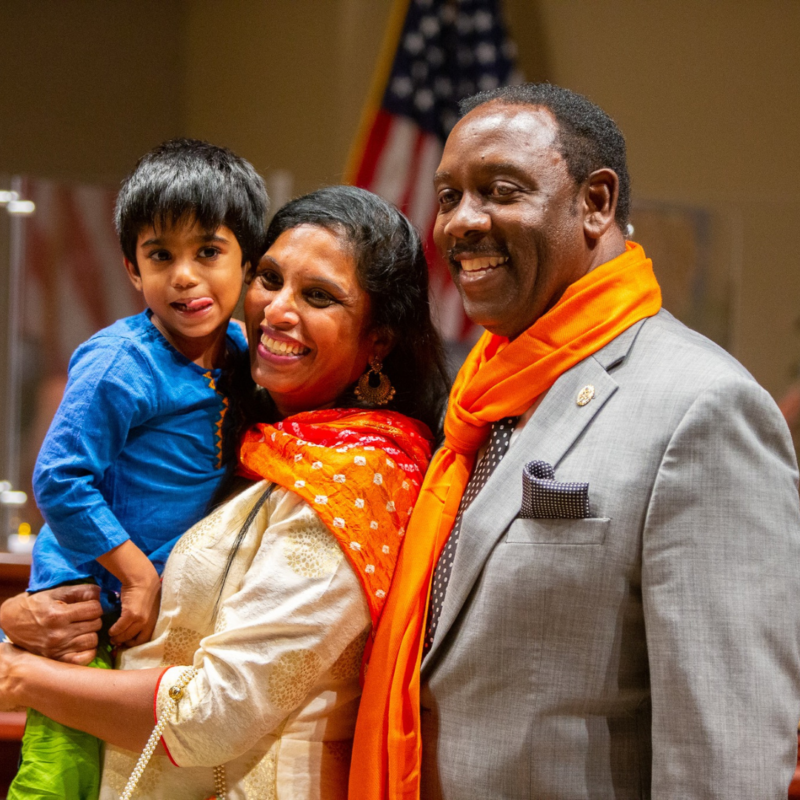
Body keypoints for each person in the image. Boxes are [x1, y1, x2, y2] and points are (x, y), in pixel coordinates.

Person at [351, 83, 800, 799]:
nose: (462, 223)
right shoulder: (479, 394)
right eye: (448, 196)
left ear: (594, 202)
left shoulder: (702, 407)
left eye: (498, 190)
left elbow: (728, 752)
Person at [0, 185, 450, 800]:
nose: (278, 310)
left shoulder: (359, 476)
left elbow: (216, 710)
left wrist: (17, 675)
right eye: (270, 279)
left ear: (380, 341)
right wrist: (25, 618)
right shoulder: (247, 435)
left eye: (317, 296)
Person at [8, 137, 269, 800]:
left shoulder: (245, 356)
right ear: (132, 269)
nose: (184, 275)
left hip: (155, 619)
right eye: (161, 255)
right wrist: (136, 573)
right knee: (59, 778)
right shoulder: (121, 362)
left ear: (248, 260)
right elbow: (59, 477)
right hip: (84, 609)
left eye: (208, 252)